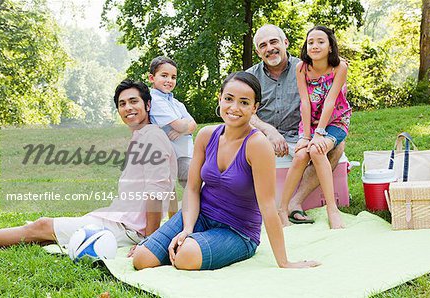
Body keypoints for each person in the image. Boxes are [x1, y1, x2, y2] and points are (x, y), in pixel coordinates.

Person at [131, 72, 320, 270]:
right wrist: (187, 228)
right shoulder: (206, 135)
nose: (234, 108)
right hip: (200, 216)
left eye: (244, 102)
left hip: (237, 231)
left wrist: (284, 262)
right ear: (220, 98)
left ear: (255, 108)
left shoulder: (258, 145)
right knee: (142, 258)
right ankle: (190, 241)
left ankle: (194, 247)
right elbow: (193, 189)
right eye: (229, 99)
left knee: (185, 256)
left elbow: (267, 206)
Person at [0, 79, 177, 248]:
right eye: (122, 104)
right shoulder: (142, 137)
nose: (128, 107)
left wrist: (149, 243)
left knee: (41, 226)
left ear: (147, 105)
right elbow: (171, 190)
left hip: (129, 229)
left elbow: (157, 191)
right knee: (42, 232)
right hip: (119, 219)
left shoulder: (152, 137)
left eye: (133, 101)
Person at [246, 24, 345, 224]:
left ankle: (295, 202)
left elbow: (330, 97)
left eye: (274, 42)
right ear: (258, 52)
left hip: (300, 134)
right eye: (263, 45)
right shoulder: (250, 77)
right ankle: (251, 208)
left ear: (285, 43)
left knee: (337, 147)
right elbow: (244, 113)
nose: (269, 48)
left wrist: (311, 135)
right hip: (265, 139)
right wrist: (269, 131)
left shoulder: (307, 67)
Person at [279, 26, 351, 229]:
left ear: (330, 47)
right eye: (310, 42)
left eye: (320, 41)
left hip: (336, 121)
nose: (315, 45)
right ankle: (282, 209)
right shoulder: (302, 68)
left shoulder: (339, 67)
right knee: (302, 154)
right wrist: (306, 136)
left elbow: (330, 101)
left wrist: (319, 134)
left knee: (317, 151)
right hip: (309, 122)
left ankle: (332, 209)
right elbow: (305, 102)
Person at [148, 56, 197, 215]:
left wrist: (183, 128)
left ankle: (195, 220)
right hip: (170, 155)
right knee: (173, 191)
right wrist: (183, 126)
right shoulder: (155, 99)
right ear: (152, 78)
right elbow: (182, 124)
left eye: (173, 77)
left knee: (194, 188)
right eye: (164, 75)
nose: (169, 80)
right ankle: (175, 224)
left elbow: (193, 125)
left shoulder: (176, 103)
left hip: (185, 154)